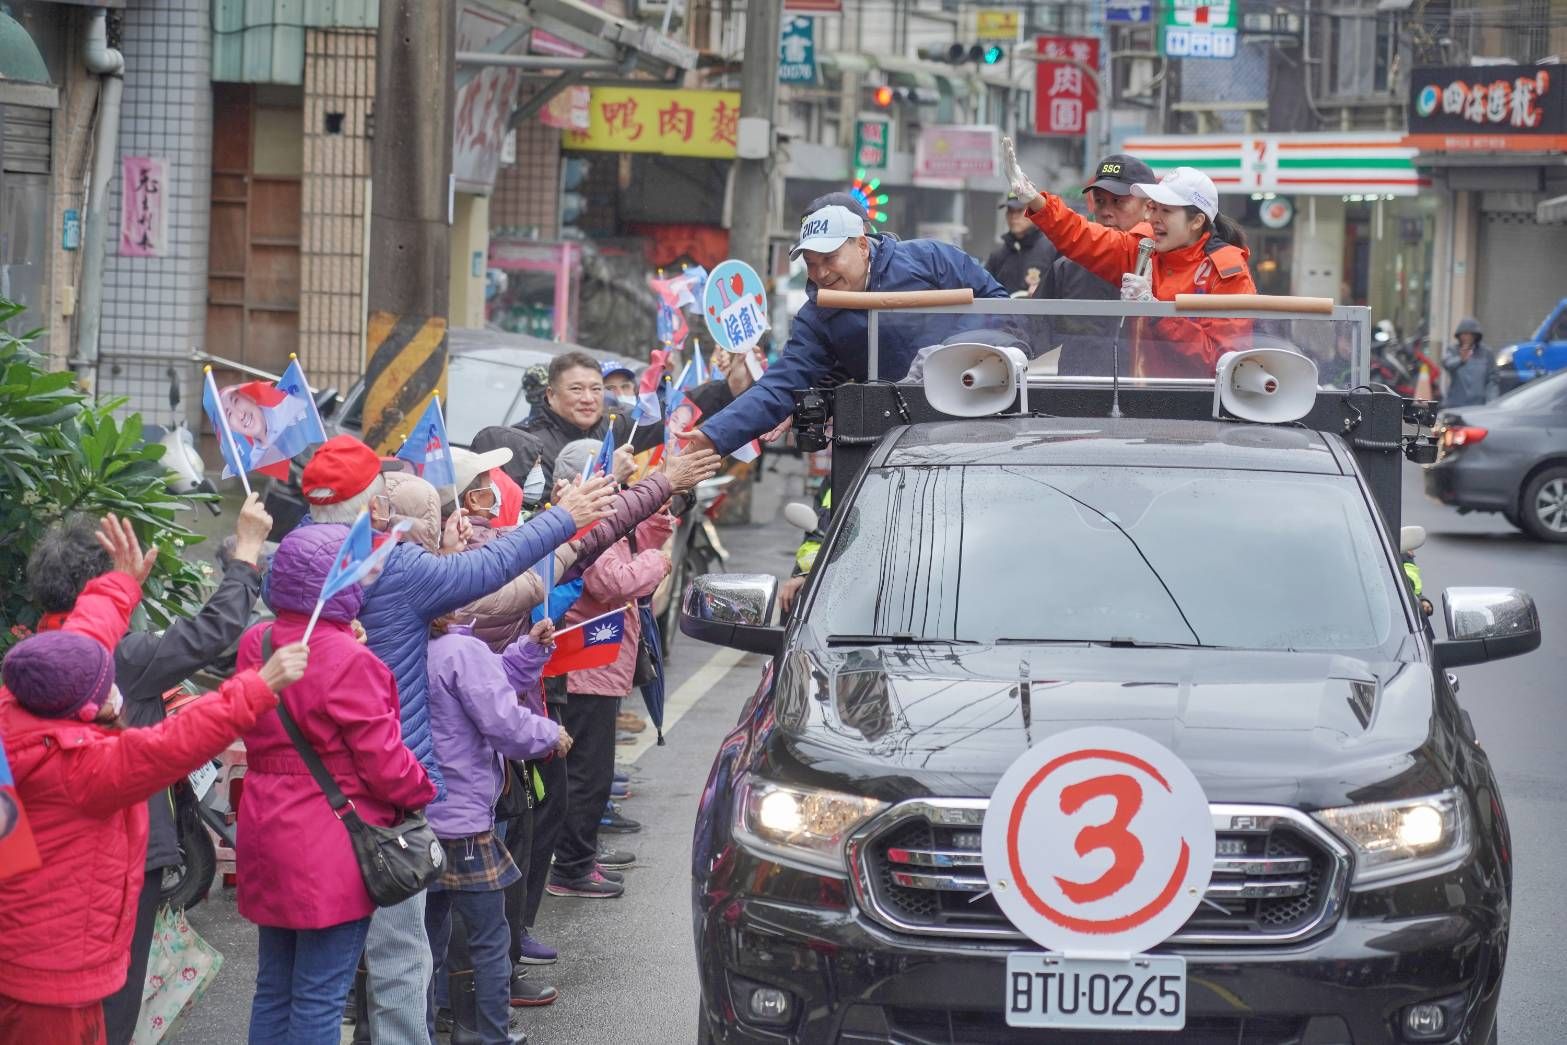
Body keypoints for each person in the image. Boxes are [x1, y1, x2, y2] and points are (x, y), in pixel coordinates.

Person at [298, 434, 617, 1045]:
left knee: (315, 973)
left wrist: (526, 652)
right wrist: (566, 521)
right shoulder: (400, 578)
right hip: (416, 809)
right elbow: (491, 584)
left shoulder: (287, 594)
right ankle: (481, 1031)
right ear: (378, 514)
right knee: (419, 951)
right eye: (452, 524)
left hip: (312, 809)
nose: (468, 530)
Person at [0, 515, 307, 1045]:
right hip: (60, 973)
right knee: (115, 1017)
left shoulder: (28, 683)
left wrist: (118, 585)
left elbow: (89, 638)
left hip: (25, 943)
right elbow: (171, 743)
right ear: (88, 699)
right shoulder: (84, 764)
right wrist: (260, 683)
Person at [234, 523, 437, 1045]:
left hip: (265, 827)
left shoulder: (256, 644)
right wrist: (422, 790)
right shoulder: (351, 661)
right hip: (331, 839)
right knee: (321, 995)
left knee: (273, 987)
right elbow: (384, 760)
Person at [680, 200, 1009, 457]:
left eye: (830, 258)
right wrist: (713, 435)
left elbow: (1001, 305)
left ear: (862, 246)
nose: (821, 273)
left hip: (978, 414)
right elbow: (778, 387)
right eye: (811, 263)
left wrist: (950, 354)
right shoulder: (818, 317)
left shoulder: (930, 259)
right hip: (895, 436)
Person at [424, 617, 568, 1045]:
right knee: (490, 937)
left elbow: (490, 680)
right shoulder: (460, 652)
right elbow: (505, 722)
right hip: (464, 821)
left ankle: (427, 1031)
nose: (468, 547)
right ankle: (491, 1034)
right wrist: (550, 733)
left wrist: (527, 650)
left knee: (426, 940)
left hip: (421, 819)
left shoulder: (418, 641)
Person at [546, 439, 676, 900]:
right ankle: (573, 867)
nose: (618, 481)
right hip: (586, 662)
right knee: (586, 772)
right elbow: (613, 581)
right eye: (612, 472)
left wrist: (655, 520)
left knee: (592, 769)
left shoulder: (599, 516)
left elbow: (631, 548)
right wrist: (656, 561)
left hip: (601, 662)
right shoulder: (583, 522)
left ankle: (582, 855)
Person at [1010, 158, 1256, 377]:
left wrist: (1157, 313)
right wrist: (1037, 201)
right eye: (1155, 208)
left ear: (1197, 221)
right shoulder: (1143, 251)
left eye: (1166, 211)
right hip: (1136, 402)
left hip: (1198, 407)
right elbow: (1084, 236)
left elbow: (1225, 362)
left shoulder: (1227, 272)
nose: (1155, 219)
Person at [505, 352, 662, 490]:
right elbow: (537, 520)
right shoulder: (527, 445)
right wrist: (608, 476)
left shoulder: (610, 426)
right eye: (576, 389)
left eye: (596, 389)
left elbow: (667, 417)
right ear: (551, 395)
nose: (588, 399)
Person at [1033, 153, 1160, 302]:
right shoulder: (1066, 269)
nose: (1106, 212)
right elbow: (1032, 323)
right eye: (1099, 201)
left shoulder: (1165, 266)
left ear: (1149, 208)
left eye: (1117, 201)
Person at [986, 198, 1059, 296]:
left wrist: (1044, 289)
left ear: (1033, 212)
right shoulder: (998, 255)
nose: (1013, 217)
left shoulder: (1052, 249)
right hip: (1004, 310)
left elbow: (1063, 286)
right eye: (1010, 211)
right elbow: (985, 291)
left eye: (1020, 210)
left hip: (1040, 310)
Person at [1441, 317, 1498, 409]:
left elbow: (1492, 380)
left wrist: (1492, 401)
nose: (1465, 337)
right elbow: (1447, 364)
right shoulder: (1453, 350)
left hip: (1478, 405)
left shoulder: (1487, 353)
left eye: (1468, 334)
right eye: (1462, 334)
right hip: (1455, 405)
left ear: (1475, 335)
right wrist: (1460, 360)